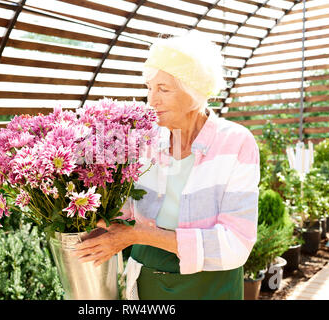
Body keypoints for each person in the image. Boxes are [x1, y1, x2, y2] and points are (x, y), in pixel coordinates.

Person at [74, 30, 260, 300]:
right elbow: (129, 209)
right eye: (149, 89)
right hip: (147, 279)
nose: (152, 101)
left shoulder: (236, 143)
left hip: (211, 286)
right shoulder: (146, 141)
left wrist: (138, 235)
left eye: (164, 89)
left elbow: (236, 244)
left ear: (193, 91)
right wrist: (96, 221)